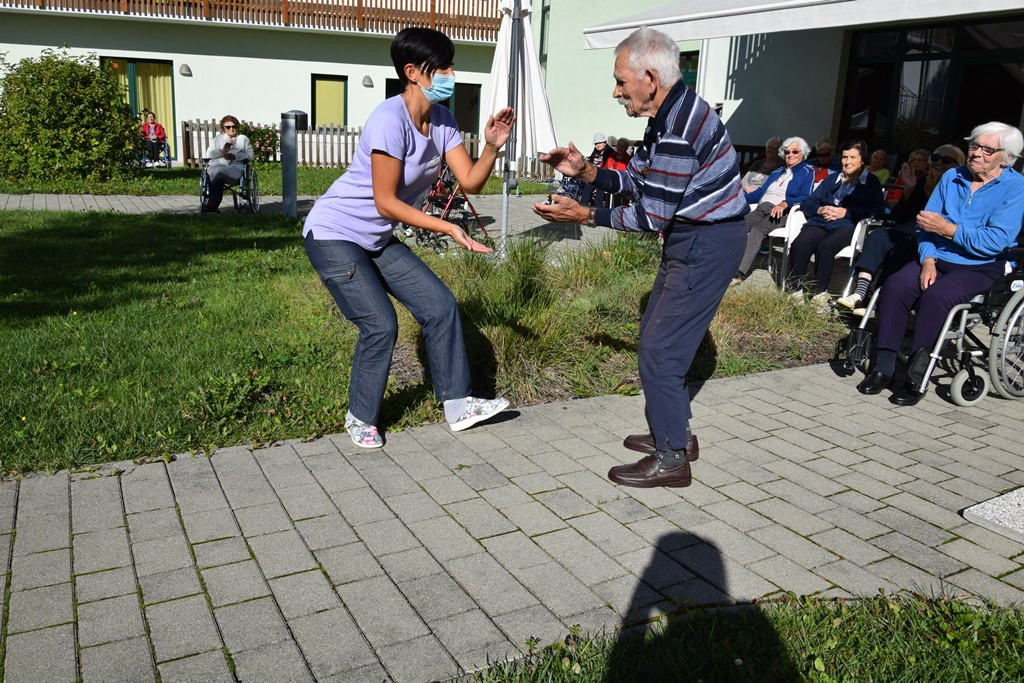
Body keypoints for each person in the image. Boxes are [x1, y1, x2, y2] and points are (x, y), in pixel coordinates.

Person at [532, 27, 749, 488]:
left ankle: (672, 460)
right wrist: (586, 170)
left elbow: (651, 215)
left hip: (706, 242)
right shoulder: (669, 114)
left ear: (649, 77)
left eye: (620, 81)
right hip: (697, 237)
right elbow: (637, 179)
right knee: (655, 336)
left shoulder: (678, 129)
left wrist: (586, 213)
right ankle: (676, 435)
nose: (615, 92)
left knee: (659, 350)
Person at [302, 27, 514, 448]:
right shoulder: (388, 119)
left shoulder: (442, 121)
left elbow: (470, 181)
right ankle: (360, 417)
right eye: (445, 67)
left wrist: (491, 147)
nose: (452, 74)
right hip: (334, 232)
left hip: (375, 238)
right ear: (414, 72)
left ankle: (458, 404)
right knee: (380, 323)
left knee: (440, 306)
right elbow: (385, 201)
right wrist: (449, 226)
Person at [857, 121, 1024, 405]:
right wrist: (929, 260)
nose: (975, 153)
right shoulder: (952, 177)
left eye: (986, 149)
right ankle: (883, 367)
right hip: (938, 256)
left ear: (1006, 158)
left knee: (937, 297)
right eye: (973, 145)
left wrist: (948, 229)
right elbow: (924, 225)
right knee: (895, 285)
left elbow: (995, 241)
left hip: (981, 266)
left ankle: (916, 375)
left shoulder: (1016, 188)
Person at [837, 144, 965, 312]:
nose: (939, 163)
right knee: (878, 236)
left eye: (946, 160)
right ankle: (860, 293)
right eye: (935, 158)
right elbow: (901, 216)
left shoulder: (961, 187)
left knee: (902, 250)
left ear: (958, 165)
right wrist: (909, 192)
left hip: (933, 239)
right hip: (910, 228)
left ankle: (879, 301)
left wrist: (931, 192)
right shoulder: (923, 180)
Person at [786, 139, 885, 298]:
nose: (847, 162)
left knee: (825, 247)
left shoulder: (871, 182)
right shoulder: (832, 179)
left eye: (853, 158)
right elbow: (808, 202)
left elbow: (877, 210)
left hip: (847, 225)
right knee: (801, 243)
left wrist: (845, 212)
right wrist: (819, 209)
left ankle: (819, 293)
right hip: (820, 221)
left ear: (862, 160)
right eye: (845, 157)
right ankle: (795, 290)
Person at [734, 136, 814, 283]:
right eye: (787, 151)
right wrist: (738, 198)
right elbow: (760, 192)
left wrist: (785, 203)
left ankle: (738, 273)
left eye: (795, 152)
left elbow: (807, 197)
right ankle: (723, 266)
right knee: (736, 226)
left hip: (781, 212)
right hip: (761, 208)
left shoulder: (807, 172)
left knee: (757, 231)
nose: (790, 155)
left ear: (803, 154)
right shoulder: (778, 171)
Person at [202, 115, 253, 213]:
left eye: (234, 126)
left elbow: (250, 155)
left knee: (218, 172)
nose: (231, 129)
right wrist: (222, 152)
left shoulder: (243, 139)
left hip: (235, 168)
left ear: (237, 127)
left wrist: (235, 157)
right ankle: (213, 203)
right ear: (223, 128)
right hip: (217, 166)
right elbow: (209, 153)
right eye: (228, 127)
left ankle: (213, 202)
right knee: (216, 171)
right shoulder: (218, 139)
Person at [580, 133, 614, 207]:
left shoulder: (610, 153)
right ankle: (582, 209)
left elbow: (611, 167)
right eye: (596, 144)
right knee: (587, 188)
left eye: (599, 143)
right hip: (594, 176)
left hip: (604, 177)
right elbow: (590, 163)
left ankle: (598, 212)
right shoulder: (595, 152)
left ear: (605, 143)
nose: (597, 145)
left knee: (599, 189)